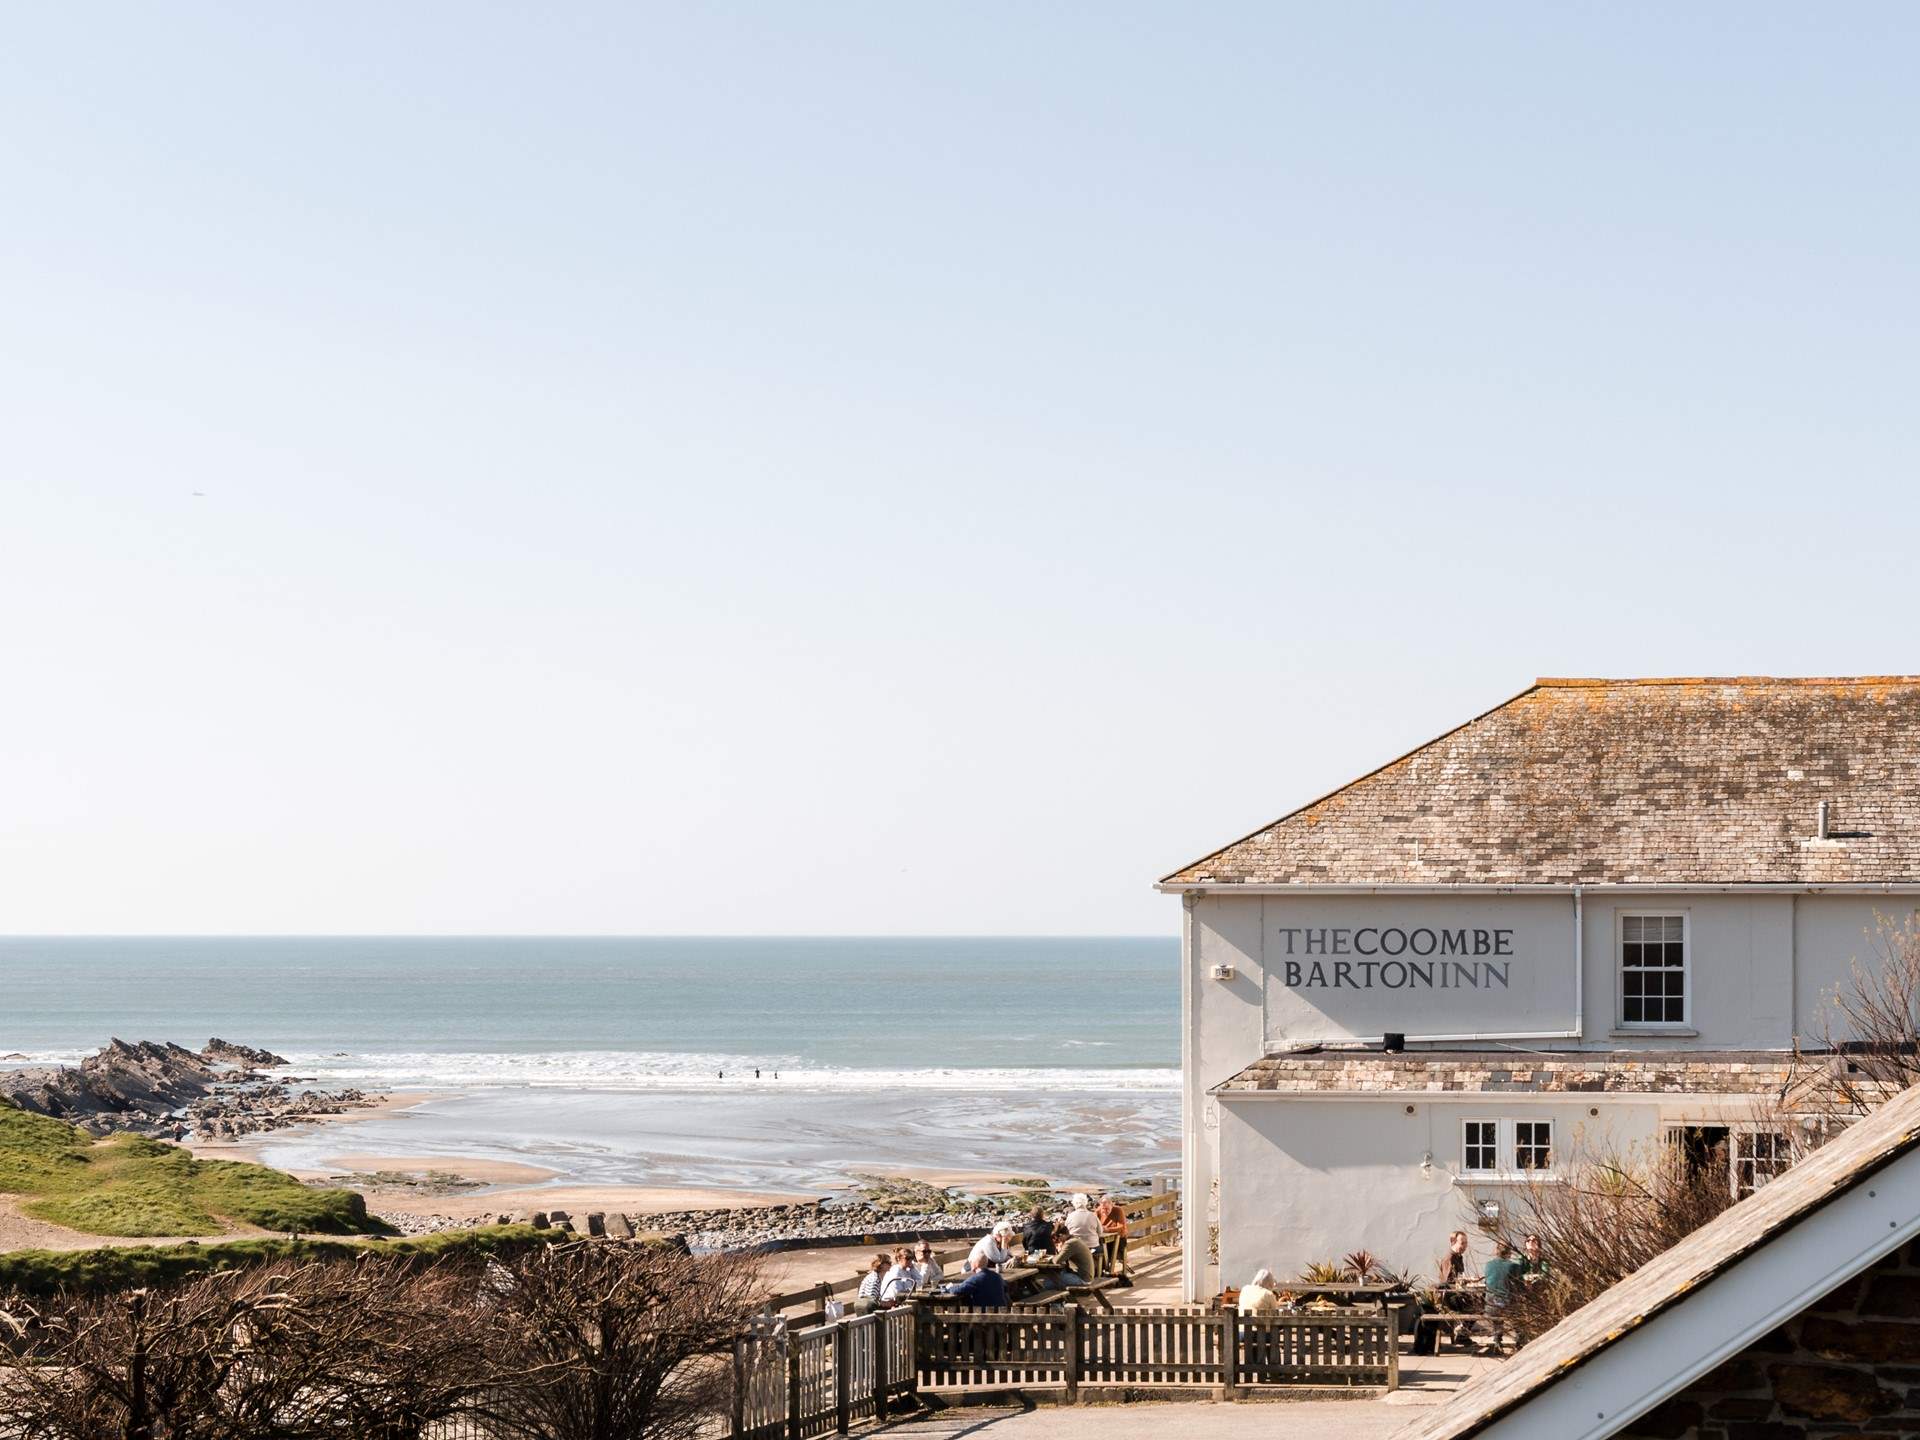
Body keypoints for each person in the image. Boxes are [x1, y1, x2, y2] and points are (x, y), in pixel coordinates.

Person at [1096, 1194, 1131, 1285]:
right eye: (1103, 1209)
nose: (1105, 1211)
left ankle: (1109, 1269)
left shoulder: (1118, 1210)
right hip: (1104, 1237)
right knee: (1098, 1247)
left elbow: (1121, 1227)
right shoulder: (1097, 1211)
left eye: (1107, 1209)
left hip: (1119, 1236)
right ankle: (1102, 1270)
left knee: (1113, 1248)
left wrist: (1108, 1229)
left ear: (1111, 1205)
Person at [1064, 1194, 1103, 1267]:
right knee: (1103, 1247)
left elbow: (1066, 1232)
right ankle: (1101, 1270)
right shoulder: (1093, 1215)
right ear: (1086, 1203)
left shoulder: (1070, 1216)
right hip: (1092, 1247)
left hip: (1075, 1247)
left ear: (1075, 1204)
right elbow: (1100, 1232)